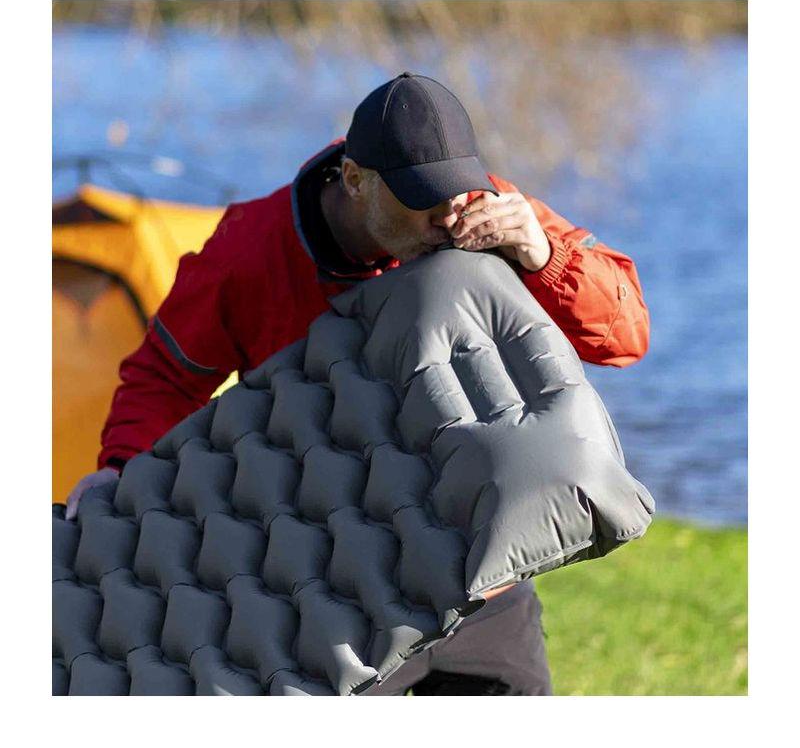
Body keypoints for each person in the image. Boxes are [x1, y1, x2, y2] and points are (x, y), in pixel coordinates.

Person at [64, 72, 650, 695]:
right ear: (354, 180)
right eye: (422, 198)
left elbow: (626, 337)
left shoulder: (488, 211)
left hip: (482, 581)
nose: (447, 216)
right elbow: (164, 376)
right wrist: (121, 465)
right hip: (344, 596)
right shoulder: (250, 252)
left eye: (456, 190)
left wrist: (544, 255)